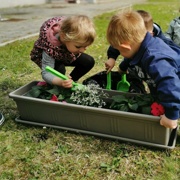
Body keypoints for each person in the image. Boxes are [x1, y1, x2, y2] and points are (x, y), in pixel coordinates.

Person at [106, 10, 180, 129]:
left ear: (125, 46)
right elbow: (130, 60)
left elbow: (170, 84)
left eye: (119, 50)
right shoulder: (140, 47)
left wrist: (171, 116)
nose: (120, 53)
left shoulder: (156, 59)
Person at [30, 15, 96, 88]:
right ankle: (57, 87)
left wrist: (67, 82)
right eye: (78, 46)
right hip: (52, 59)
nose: (82, 50)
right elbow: (46, 73)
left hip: (65, 54)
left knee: (88, 61)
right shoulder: (50, 46)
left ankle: (70, 83)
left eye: (85, 46)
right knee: (60, 71)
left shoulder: (72, 42)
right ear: (64, 37)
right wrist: (60, 82)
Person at [105, 10, 180, 74]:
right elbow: (120, 42)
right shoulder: (136, 42)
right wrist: (112, 58)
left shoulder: (160, 53)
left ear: (150, 34)